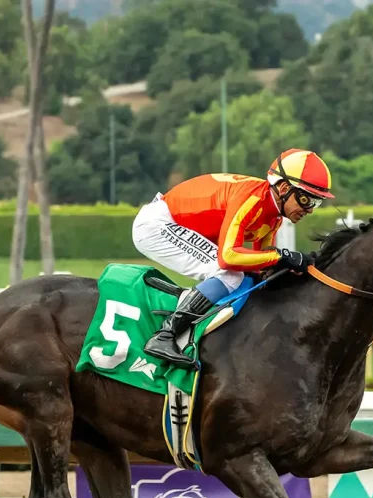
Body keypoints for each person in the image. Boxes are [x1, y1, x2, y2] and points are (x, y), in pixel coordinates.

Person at [132, 148, 334, 367]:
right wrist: (281, 256)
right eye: (306, 199)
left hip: (173, 224)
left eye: (316, 202)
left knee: (247, 279)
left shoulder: (274, 216)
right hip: (158, 225)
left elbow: (261, 269)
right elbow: (228, 257)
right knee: (230, 275)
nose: (310, 210)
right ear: (284, 188)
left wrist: (292, 268)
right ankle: (165, 335)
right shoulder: (253, 199)